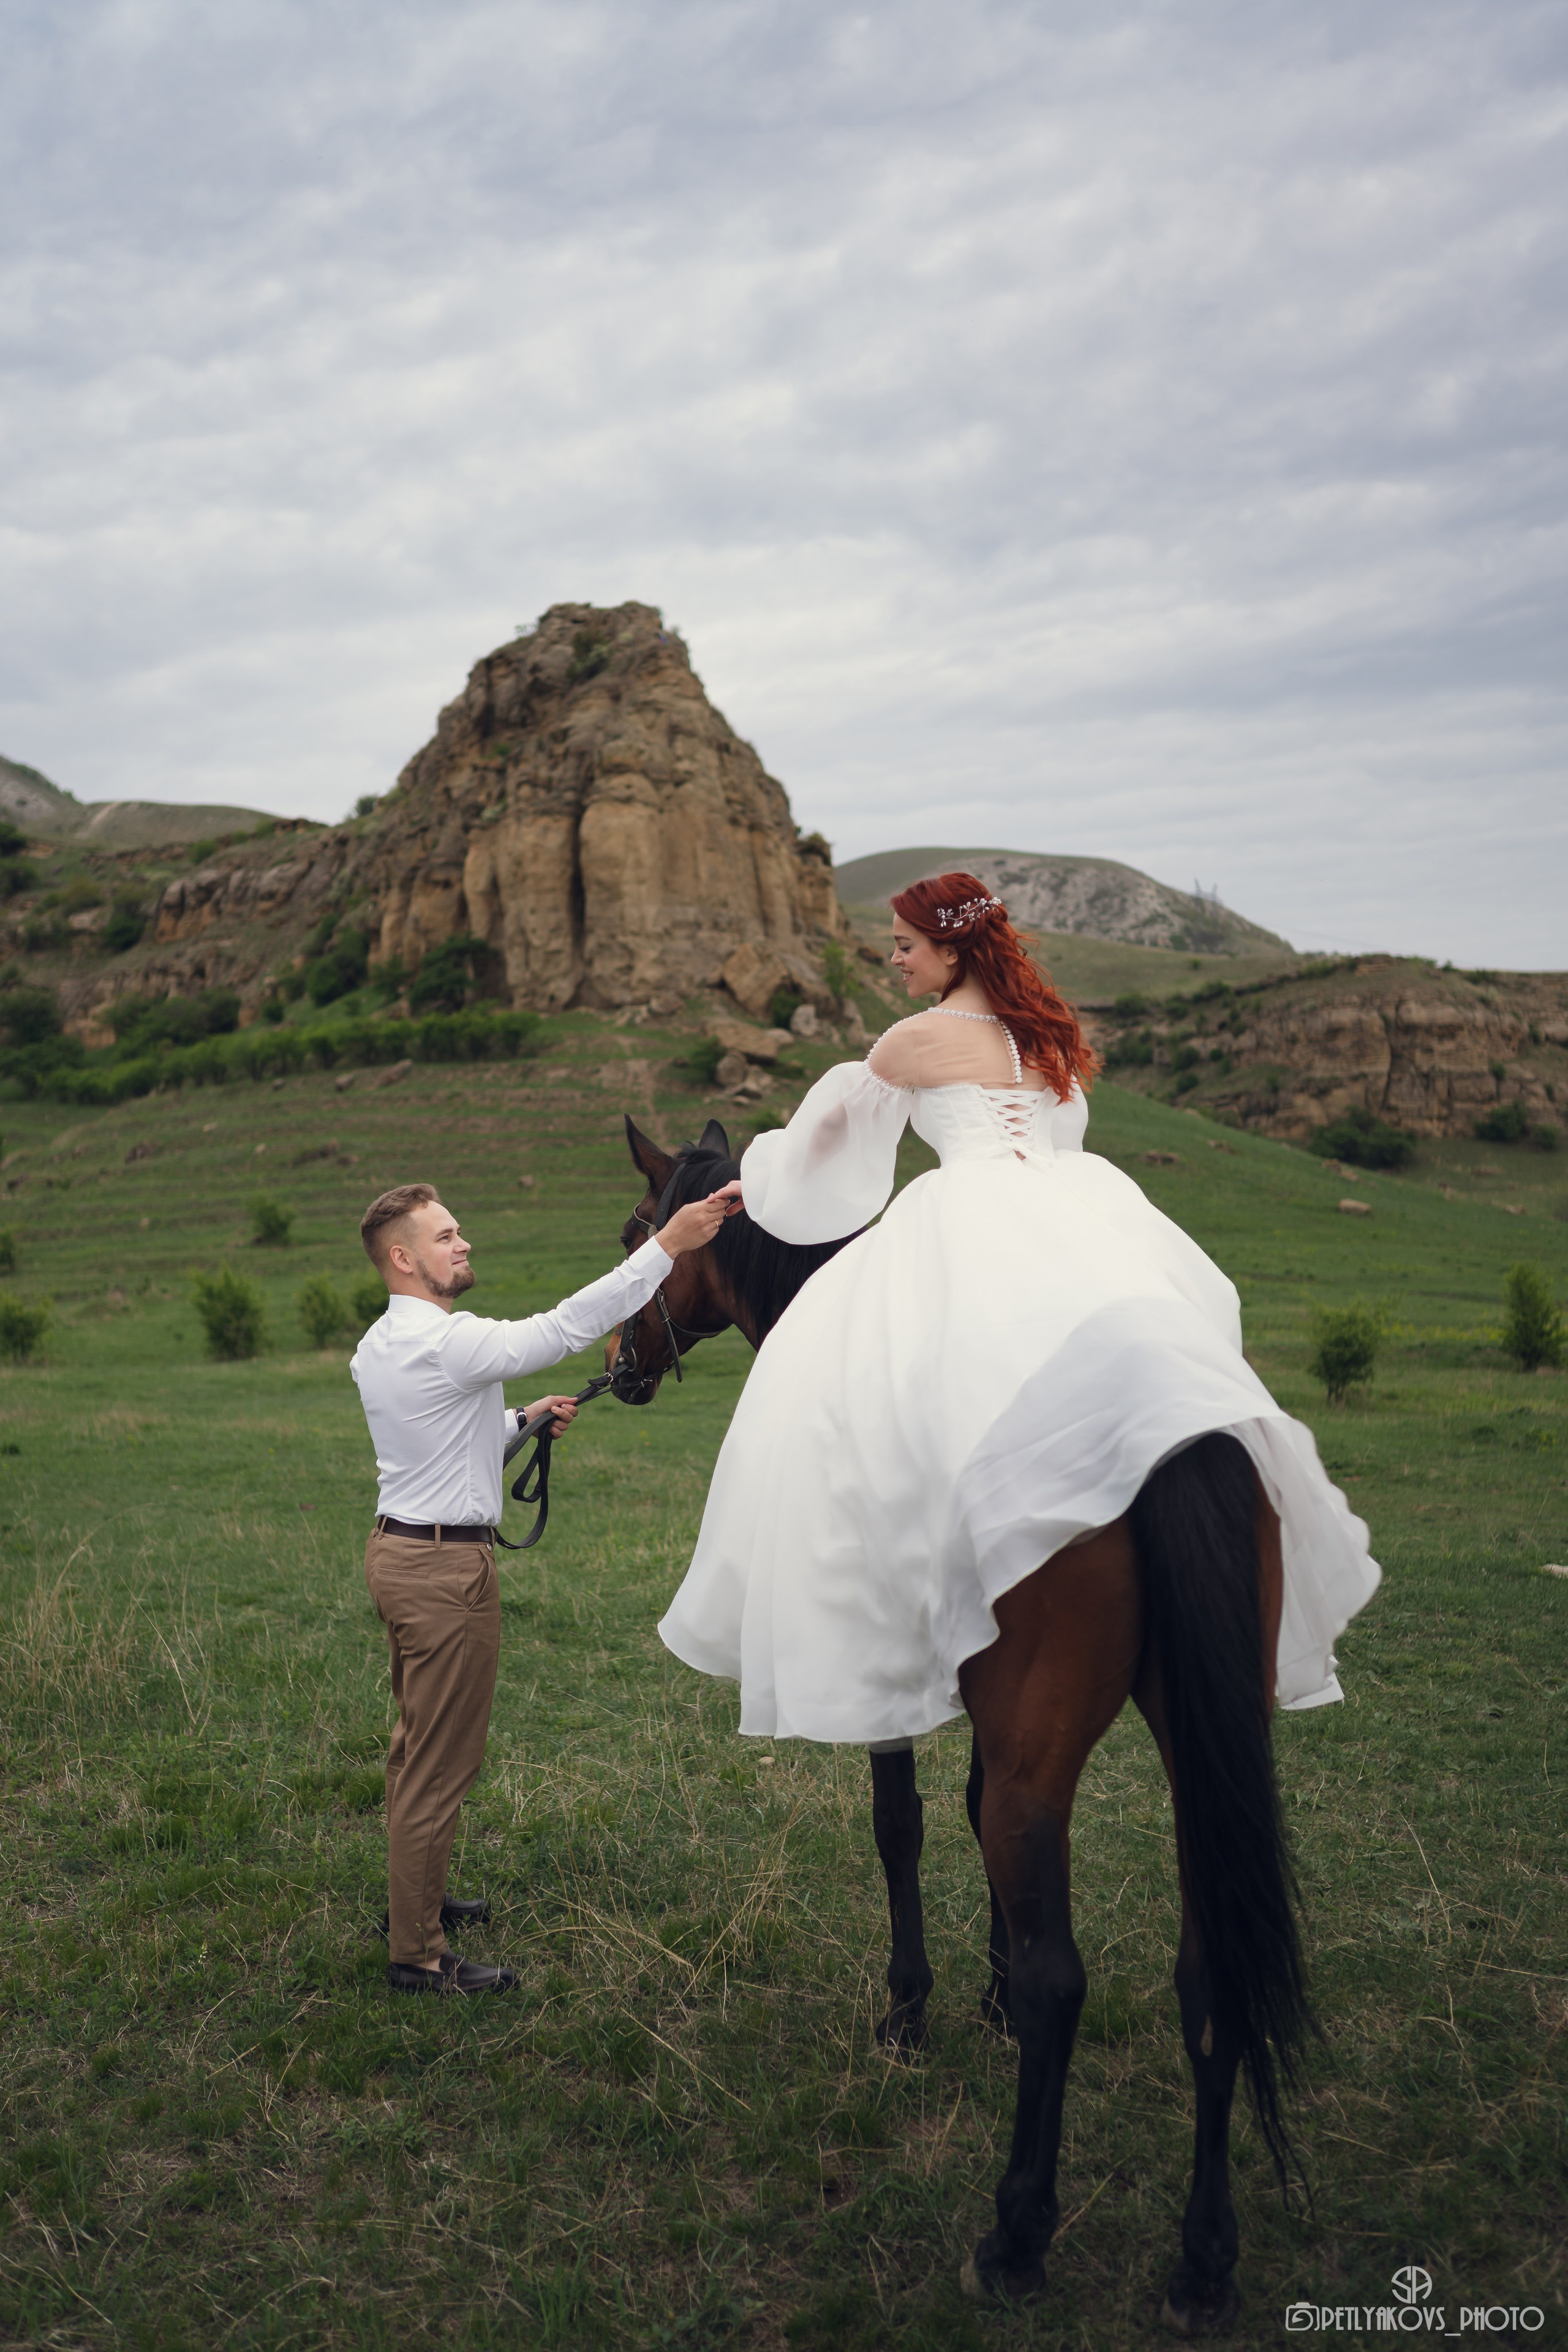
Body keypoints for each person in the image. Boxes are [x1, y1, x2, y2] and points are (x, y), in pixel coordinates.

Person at [660, 873, 1379, 1743]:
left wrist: (757, 1179)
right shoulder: (1048, 1035)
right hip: (1077, 1204)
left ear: (953, 948)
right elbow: (1062, 1137)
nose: (892, 961)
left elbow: (822, 1163)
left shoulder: (913, 1041)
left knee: (841, 1388)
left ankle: (904, 1599)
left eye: (905, 946)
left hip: (969, 1207)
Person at [353, 1178, 733, 1994]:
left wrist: (518, 1424)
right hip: (445, 1573)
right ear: (403, 1257)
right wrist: (670, 1244)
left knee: (414, 1748)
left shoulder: (384, 1345)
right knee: (439, 1765)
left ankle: (413, 1901)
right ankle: (417, 1957)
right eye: (446, 1235)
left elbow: (447, 1449)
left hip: (400, 1553)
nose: (464, 1244)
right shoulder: (447, 1343)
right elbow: (564, 1326)